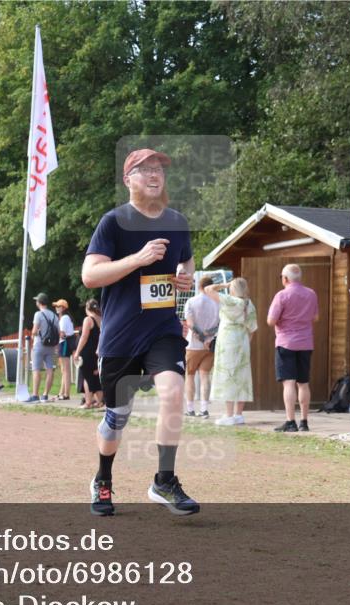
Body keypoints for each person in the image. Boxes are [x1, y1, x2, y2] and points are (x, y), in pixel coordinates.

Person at [81, 147, 199, 517]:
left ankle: (164, 480)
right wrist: (138, 259)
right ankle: (102, 479)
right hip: (120, 336)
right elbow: (90, 276)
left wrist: (186, 277)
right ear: (127, 179)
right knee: (117, 418)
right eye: (144, 169)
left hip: (161, 329)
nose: (154, 175)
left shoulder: (177, 221)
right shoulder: (114, 222)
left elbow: (187, 259)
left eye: (159, 169)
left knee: (174, 392)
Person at [266, 264, 319, 432]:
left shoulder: (281, 295)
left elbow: (271, 321)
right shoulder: (311, 294)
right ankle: (304, 422)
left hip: (286, 343)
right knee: (303, 383)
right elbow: (316, 317)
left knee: (288, 383)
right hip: (305, 342)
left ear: (285, 278)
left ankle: (290, 422)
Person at [204, 277, 258, 426]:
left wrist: (224, 284)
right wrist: (246, 343)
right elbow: (252, 329)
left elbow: (208, 289)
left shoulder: (229, 300)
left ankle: (228, 415)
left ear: (233, 288)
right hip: (242, 341)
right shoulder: (249, 304)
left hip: (227, 341)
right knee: (241, 376)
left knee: (227, 375)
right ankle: (238, 414)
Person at [183, 275, 219, 418]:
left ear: (199, 286)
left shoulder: (191, 302)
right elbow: (219, 324)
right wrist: (208, 338)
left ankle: (190, 408)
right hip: (210, 345)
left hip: (193, 344)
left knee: (190, 375)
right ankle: (204, 409)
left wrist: (202, 337)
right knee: (205, 375)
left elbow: (190, 324)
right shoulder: (218, 303)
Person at [26, 292, 59, 403]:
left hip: (39, 344)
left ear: (39, 302)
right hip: (51, 346)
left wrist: (34, 334)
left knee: (36, 369)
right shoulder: (54, 316)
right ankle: (45, 395)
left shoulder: (38, 314)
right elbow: (58, 332)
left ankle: (35, 395)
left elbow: (34, 331)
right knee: (50, 369)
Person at [72, 298, 103, 409]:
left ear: (87, 308)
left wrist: (77, 352)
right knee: (95, 377)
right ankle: (100, 401)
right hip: (98, 352)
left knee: (87, 377)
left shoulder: (88, 320)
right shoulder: (101, 319)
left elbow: (84, 337)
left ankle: (88, 402)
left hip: (87, 352)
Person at [54, 299, 75, 400]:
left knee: (65, 370)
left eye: (58, 306)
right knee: (64, 369)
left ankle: (66, 394)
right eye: (56, 306)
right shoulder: (66, 318)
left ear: (63, 308)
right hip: (66, 343)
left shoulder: (64, 318)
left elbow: (62, 333)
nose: (56, 308)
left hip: (64, 343)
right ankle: (61, 392)